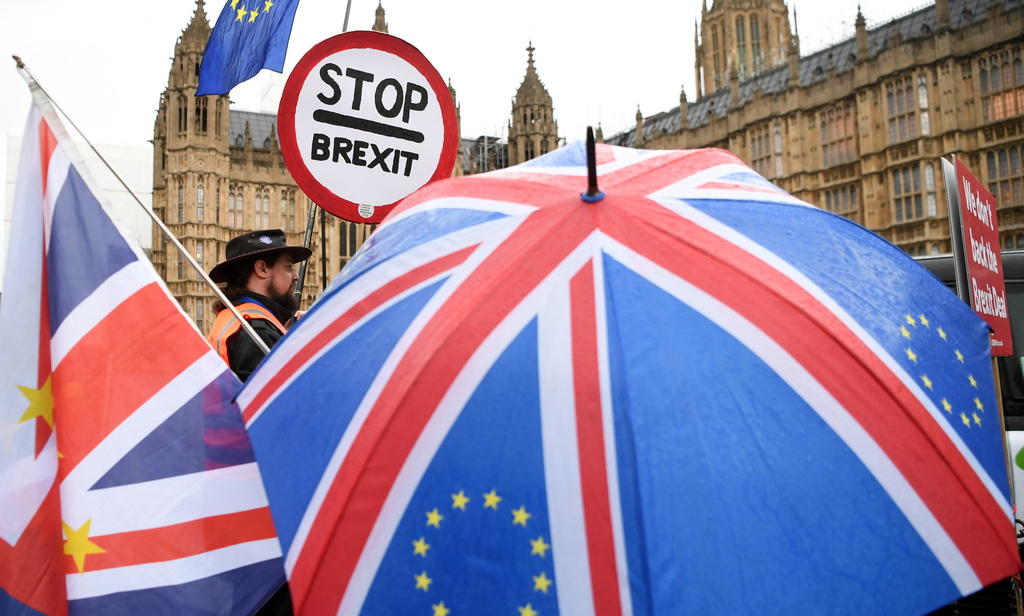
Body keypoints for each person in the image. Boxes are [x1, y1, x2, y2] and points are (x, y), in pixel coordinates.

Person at [207, 229, 311, 382]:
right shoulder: (256, 331)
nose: (296, 277)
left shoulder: (235, 318)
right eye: (288, 267)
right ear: (262, 269)